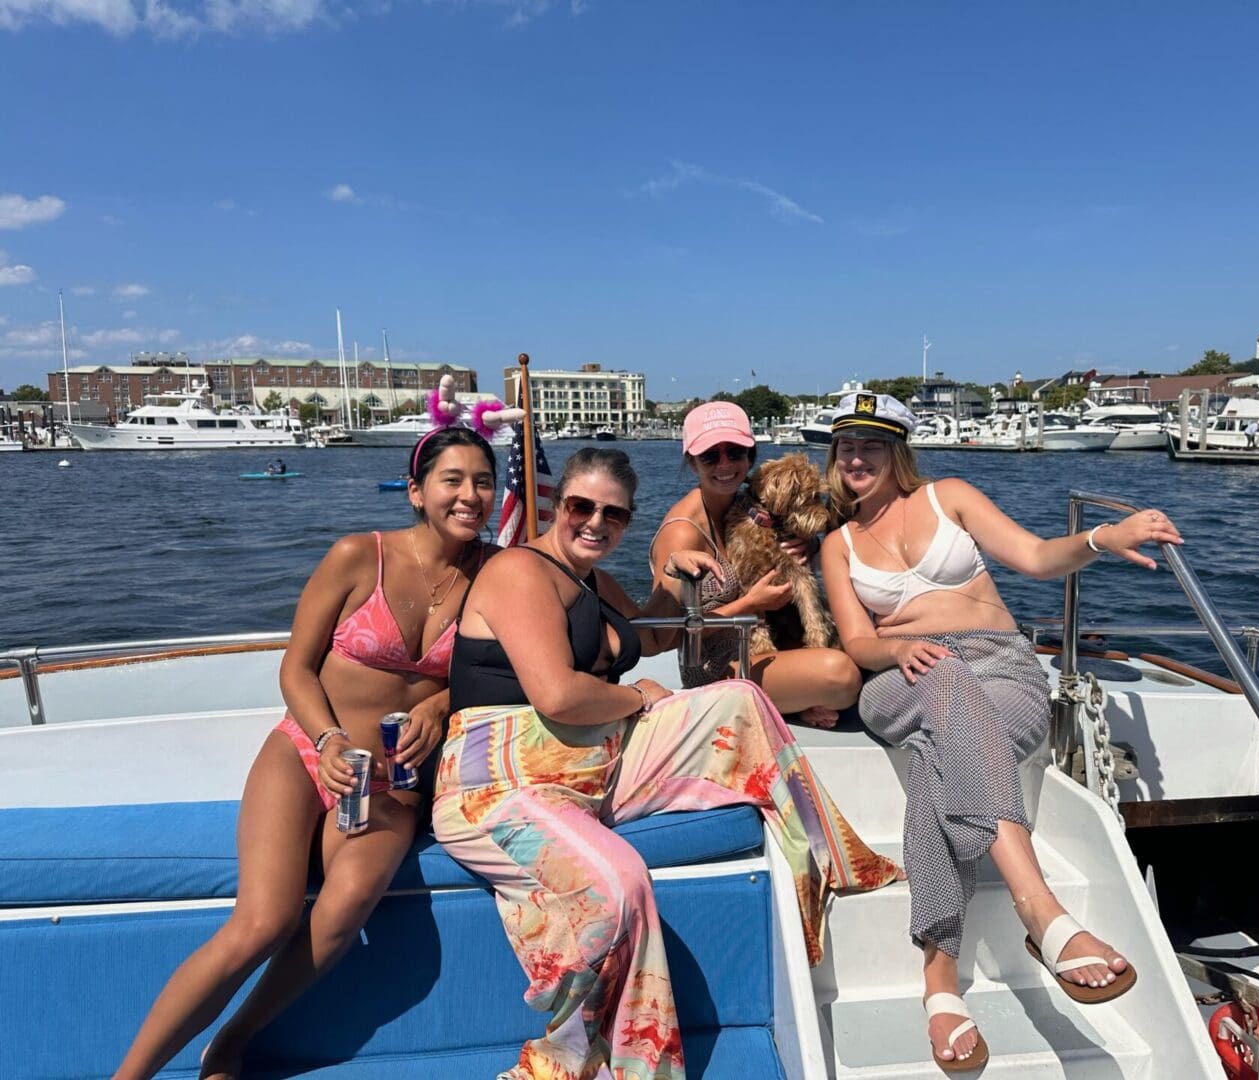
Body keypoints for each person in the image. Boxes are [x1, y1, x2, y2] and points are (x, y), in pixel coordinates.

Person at [434, 446, 900, 1080]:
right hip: (496, 785)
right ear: (556, 504)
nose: (595, 522)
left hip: (593, 762)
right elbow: (559, 693)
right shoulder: (521, 570)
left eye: (614, 515)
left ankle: (824, 863)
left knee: (739, 699)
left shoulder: (592, 582)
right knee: (619, 883)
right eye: (581, 506)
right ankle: (584, 1057)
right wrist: (635, 695)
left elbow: (654, 634)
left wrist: (679, 578)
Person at [116, 426, 500, 1080]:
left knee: (346, 905)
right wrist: (325, 739)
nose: (470, 495)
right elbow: (295, 669)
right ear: (415, 491)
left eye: (484, 482)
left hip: (393, 779)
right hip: (307, 752)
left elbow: (502, 670)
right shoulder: (358, 556)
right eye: (453, 480)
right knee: (263, 921)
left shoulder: (496, 575)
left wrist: (441, 706)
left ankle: (232, 1042)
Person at [819, 393, 1182, 1071]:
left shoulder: (947, 495)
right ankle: (1041, 913)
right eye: (844, 447)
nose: (855, 458)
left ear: (898, 451)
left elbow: (1039, 558)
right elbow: (858, 642)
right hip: (899, 678)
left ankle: (939, 983)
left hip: (1002, 667)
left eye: (870, 444)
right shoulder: (836, 546)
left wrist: (1105, 537)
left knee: (934, 761)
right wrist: (897, 652)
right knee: (943, 688)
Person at [648, 400, 861, 728]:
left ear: (750, 457)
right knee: (842, 675)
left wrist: (808, 542)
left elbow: (787, 535)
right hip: (715, 667)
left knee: (859, 644)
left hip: (763, 648)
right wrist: (750, 604)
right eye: (710, 456)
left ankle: (789, 701)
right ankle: (790, 704)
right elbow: (664, 635)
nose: (725, 464)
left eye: (734, 452)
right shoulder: (682, 531)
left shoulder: (747, 506)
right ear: (692, 463)